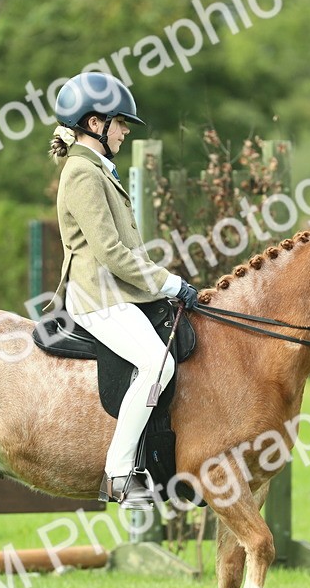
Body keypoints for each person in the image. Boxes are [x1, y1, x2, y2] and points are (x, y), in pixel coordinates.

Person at [44, 71, 200, 510]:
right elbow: (110, 251)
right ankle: (118, 473)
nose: (126, 130)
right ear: (96, 123)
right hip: (98, 296)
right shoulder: (82, 173)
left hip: (121, 292)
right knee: (157, 363)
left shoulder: (97, 169)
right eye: (120, 123)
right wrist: (170, 282)